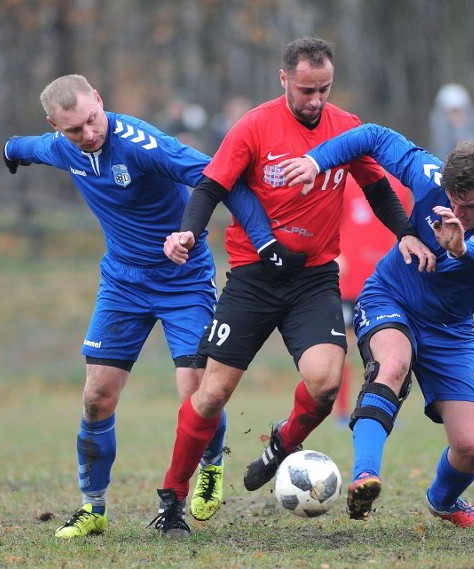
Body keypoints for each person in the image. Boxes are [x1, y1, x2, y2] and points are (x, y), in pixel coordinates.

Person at [2, 74, 304, 539]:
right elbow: (24, 146)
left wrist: (263, 242)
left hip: (183, 280)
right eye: (74, 130)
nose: (88, 134)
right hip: (122, 283)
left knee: (196, 391)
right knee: (96, 397)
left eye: (91, 120)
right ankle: (93, 508)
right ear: (56, 127)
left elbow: (220, 178)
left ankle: (208, 464)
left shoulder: (144, 145)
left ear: (100, 101)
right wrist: (9, 152)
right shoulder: (61, 147)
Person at [153, 37, 427, 538]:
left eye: (324, 89)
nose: (316, 100)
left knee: (326, 382)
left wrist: (407, 232)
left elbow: (376, 188)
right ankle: (171, 496)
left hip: (314, 278)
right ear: (284, 80)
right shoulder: (255, 126)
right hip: (253, 278)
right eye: (306, 90)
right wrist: (189, 230)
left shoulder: (345, 128)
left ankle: (281, 442)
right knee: (211, 393)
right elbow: (212, 185)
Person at [278, 124, 474, 528]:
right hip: (390, 297)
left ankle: (444, 501)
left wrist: (464, 248)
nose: (459, 213)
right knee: (392, 365)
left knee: (471, 447)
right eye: (454, 202)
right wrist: (315, 160)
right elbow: (372, 136)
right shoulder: (428, 174)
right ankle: (365, 475)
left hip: (451, 328)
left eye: (470, 207)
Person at [335, 174, 412, 425]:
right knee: (343, 348)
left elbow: (405, 231)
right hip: (347, 279)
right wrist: (334, 255)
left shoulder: (400, 186)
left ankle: (381, 410)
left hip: (383, 281)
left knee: (385, 351)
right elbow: (329, 222)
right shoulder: (344, 181)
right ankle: (343, 412)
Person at [429, 83, 474, 160]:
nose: (456, 116)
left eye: (458, 111)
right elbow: (441, 152)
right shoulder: (441, 135)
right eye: (453, 112)